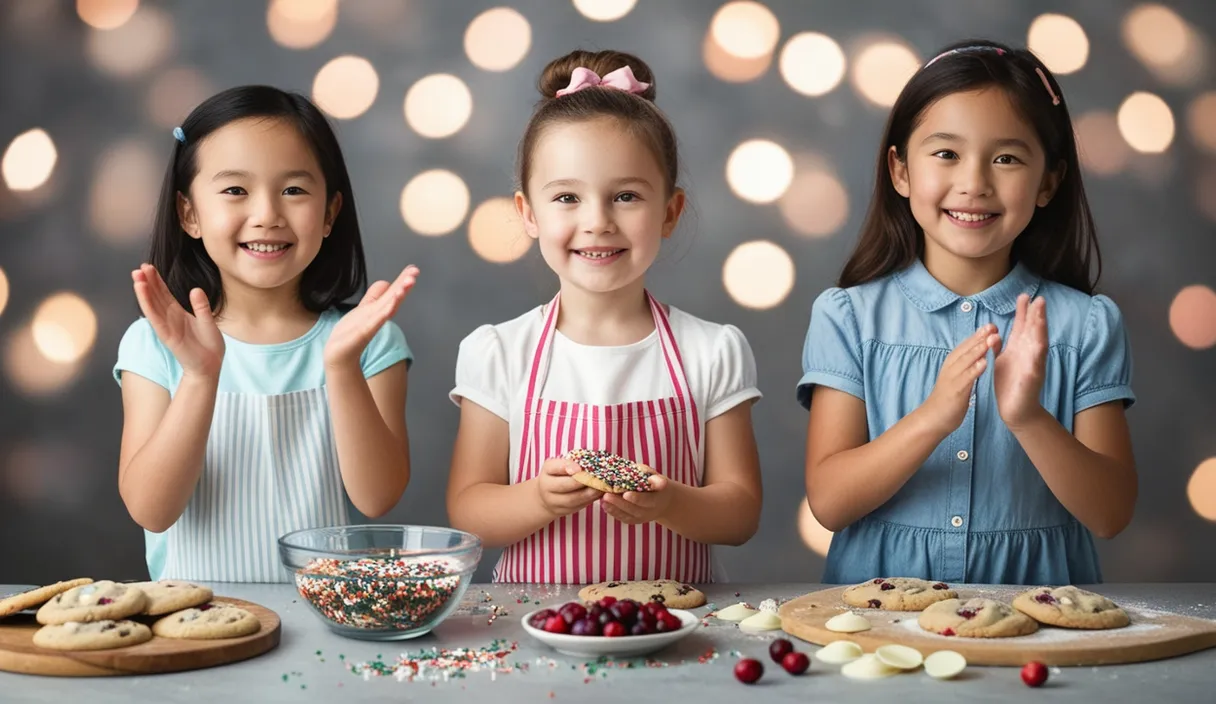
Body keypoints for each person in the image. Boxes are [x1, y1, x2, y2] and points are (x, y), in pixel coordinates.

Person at [799, 41, 1136, 585]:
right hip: (879, 621)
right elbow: (830, 504)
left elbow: (1111, 514)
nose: (974, 182)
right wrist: (934, 416)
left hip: (1040, 625)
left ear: (1048, 181)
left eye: (1006, 158)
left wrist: (1028, 417)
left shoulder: (1087, 325)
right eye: (946, 153)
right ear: (901, 170)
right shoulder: (848, 318)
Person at [447, 50, 763, 584]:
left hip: (675, 632)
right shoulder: (498, 351)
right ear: (528, 213)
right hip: (532, 631)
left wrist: (668, 503)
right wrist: (538, 498)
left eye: (625, 196)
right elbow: (468, 509)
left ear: (669, 212)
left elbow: (740, 514)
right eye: (567, 197)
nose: (597, 222)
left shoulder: (712, 350)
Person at [114, 85, 417, 582]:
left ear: (329, 214)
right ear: (189, 213)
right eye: (235, 190)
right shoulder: (152, 344)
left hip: (329, 626)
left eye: (293, 190)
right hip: (198, 626)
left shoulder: (368, 340)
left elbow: (378, 496)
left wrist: (341, 366)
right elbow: (151, 509)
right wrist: (198, 375)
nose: (267, 214)